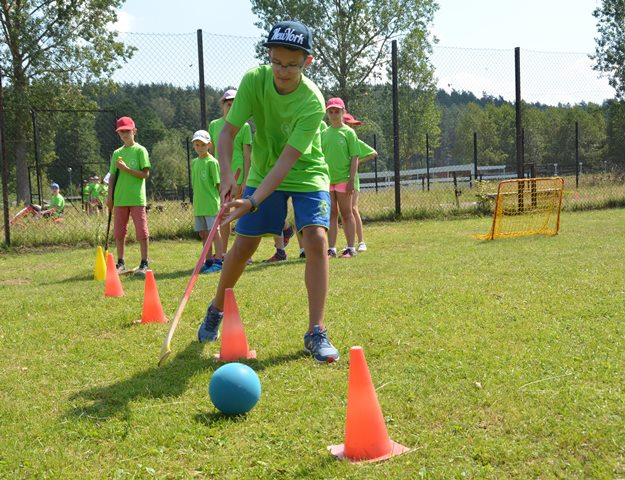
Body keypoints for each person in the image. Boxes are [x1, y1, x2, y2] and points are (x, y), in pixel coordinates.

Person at [196, 20, 340, 363]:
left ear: (307, 62)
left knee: (316, 239)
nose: (282, 71)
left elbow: (289, 160)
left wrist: (253, 200)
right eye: (276, 62)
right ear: (269, 56)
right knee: (244, 246)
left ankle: (316, 331)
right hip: (262, 169)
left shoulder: (312, 101)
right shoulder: (253, 80)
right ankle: (217, 308)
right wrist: (227, 174)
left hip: (306, 172)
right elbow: (227, 133)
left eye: (292, 65)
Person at [208, 89, 252, 255]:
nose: (231, 107)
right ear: (223, 105)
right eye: (228, 104)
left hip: (238, 177)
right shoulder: (214, 125)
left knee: (242, 215)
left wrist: (245, 180)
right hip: (221, 178)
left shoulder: (245, 126)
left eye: (234, 105)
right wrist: (213, 176)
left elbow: (247, 156)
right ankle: (223, 252)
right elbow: (211, 153)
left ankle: (242, 252)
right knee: (223, 214)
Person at [106, 116, 151, 277]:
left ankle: (144, 262)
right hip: (120, 199)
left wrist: (125, 169)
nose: (124, 134)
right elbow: (112, 177)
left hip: (137, 198)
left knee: (142, 232)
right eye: (121, 132)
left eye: (127, 131)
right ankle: (121, 262)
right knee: (119, 232)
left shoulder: (140, 150)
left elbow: (145, 174)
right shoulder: (117, 153)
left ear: (134, 131)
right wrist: (110, 197)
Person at [321, 97, 360, 258]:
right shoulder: (324, 133)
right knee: (331, 215)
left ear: (343, 112)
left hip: (344, 180)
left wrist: (351, 180)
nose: (334, 115)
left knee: (347, 214)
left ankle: (350, 248)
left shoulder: (349, 133)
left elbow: (354, 157)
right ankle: (331, 248)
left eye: (337, 111)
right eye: (330, 112)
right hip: (327, 181)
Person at [190, 129, 224, 274]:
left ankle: (219, 261)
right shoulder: (194, 163)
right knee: (203, 234)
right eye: (197, 145)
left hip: (211, 205)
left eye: (203, 145)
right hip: (199, 205)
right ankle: (208, 260)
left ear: (209, 145)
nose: (200, 148)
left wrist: (222, 202)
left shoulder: (212, 162)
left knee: (214, 233)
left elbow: (219, 185)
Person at [343, 112, 378, 252]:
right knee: (344, 211)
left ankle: (361, 241)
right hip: (338, 180)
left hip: (352, 180)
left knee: (353, 208)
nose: (352, 128)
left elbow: (373, 153)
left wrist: (358, 162)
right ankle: (349, 243)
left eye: (353, 125)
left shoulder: (354, 140)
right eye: (349, 124)